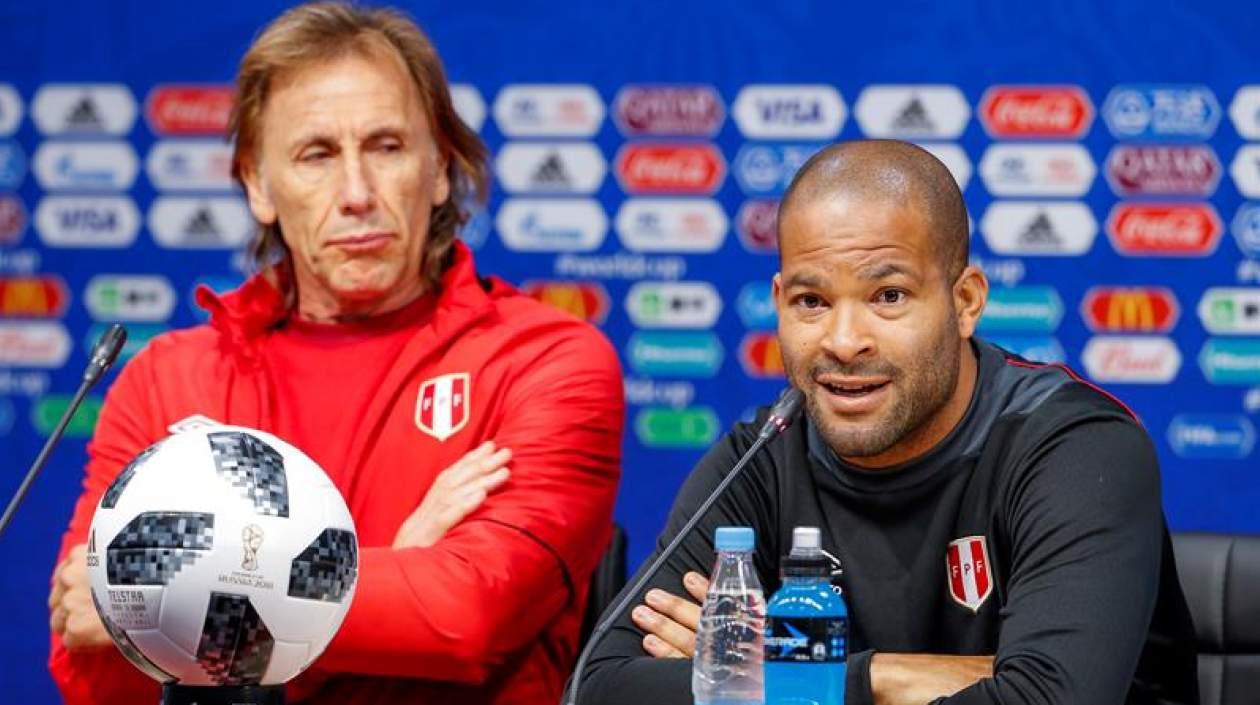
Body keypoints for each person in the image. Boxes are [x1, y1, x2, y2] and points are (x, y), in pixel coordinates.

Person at [46, 4, 623, 704]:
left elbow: (464, 616)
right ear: (258, 183)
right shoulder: (167, 379)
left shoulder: (545, 360)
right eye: (316, 154)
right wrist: (394, 568)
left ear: (439, 168)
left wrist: (170, 596)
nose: (356, 194)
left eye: (386, 147)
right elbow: (94, 669)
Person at [576, 140, 1198, 705]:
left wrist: (758, 678)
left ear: (965, 301)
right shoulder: (763, 455)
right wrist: (878, 678)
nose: (844, 341)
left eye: (888, 296)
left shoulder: (1072, 446)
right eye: (811, 301)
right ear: (778, 304)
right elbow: (603, 686)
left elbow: (1047, 700)